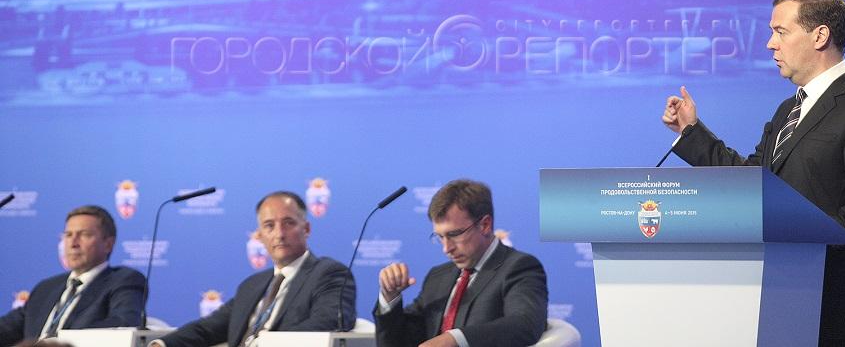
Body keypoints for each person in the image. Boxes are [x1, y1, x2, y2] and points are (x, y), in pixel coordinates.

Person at [661, 0, 845, 346]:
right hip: (772, 296)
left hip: (826, 304)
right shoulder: (788, 109)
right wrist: (691, 133)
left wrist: (810, 238)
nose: (770, 44)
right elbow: (754, 181)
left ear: (820, 36)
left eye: (780, 31)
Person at [150, 191, 355, 347]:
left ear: (306, 229)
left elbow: (328, 323)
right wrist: (162, 344)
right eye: (269, 226)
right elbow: (208, 328)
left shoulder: (329, 274)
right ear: (259, 236)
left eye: (288, 223)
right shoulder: (252, 285)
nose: (279, 234)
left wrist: (264, 342)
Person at [374, 179, 547, 347]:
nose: (446, 248)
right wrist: (390, 297)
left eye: (454, 234)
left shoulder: (519, 267)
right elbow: (400, 342)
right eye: (440, 237)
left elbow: (525, 324)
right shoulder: (437, 276)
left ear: (485, 225)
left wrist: (455, 339)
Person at [0, 205, 145, 347]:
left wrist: (62, 341)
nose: (73, 243)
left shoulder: (123, 280)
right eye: (68, 235)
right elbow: (6, 329)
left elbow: (123, 324)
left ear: (108, 244)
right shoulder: (46, 288)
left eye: (84, 234)